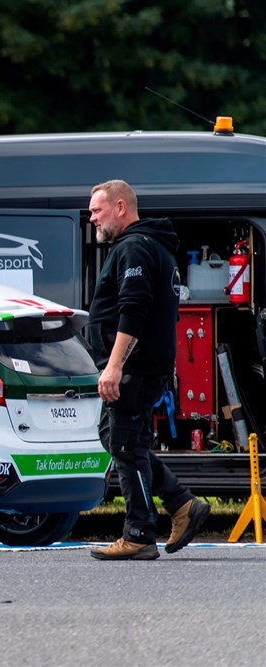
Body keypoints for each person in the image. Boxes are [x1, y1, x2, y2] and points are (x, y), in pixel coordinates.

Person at [86, 180, 210, 561]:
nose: (92, 218)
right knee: (117, 437)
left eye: (97, 210)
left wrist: (113, 366)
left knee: (124, 446)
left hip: (133, 369)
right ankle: (181, 503)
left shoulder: (136, 247)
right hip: (144, 367)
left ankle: (139, 533)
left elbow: (134, 311)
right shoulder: (152, 245)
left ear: (120, 207)